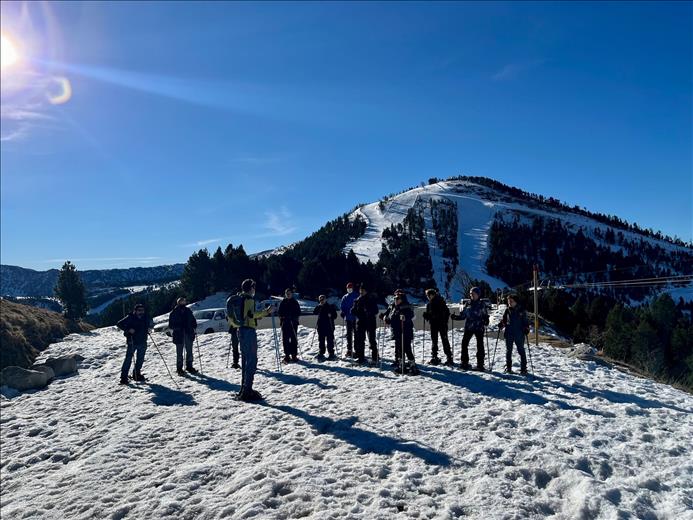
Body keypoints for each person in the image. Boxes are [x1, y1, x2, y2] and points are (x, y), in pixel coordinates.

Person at [236, 278, 273, 401]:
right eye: (253, 287)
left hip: (240, 330)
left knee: (245, 359)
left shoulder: (239, 298)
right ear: (251, 288)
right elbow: (251, 314)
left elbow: (246, 315)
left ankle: (243, 389)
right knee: (252, 360)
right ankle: (247, 390)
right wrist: (266, 312)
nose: (254, 290)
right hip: (248, 331)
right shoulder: (249, 299)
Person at [451, 287, 489, 370]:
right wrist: (455, 317)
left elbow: (485, 315)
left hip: (479, 327)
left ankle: (480, 364)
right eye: (471, 293)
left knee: (480, 345)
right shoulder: (467, 304)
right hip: (469, 327)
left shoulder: (482, 304)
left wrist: (486, 320)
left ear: (478, 294)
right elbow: (463, 316)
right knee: (464, 344)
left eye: (474, 293)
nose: (472, 295)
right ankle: (464, 362)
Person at [117, 303, 153, 384]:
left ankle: (136, 374)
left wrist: (149, 329)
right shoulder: (130, 317)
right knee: (128, 359)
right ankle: (124, 377)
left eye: (142, 310)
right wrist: (128, 329)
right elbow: (119, 324)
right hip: (132, 341)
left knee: (140, 359)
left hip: (143, 341)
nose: (141, 312)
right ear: (135, 311)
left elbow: (150, 324)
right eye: (139, 310)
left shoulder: (145, 317)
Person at [384, 292, 417, 373]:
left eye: (398, 298)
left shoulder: (406, 307)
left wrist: (404, 318)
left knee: (407, 348)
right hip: (398, 332)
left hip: (405, 331)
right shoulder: (395, 308)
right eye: (395, 298)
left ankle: (412, 365)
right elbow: (393, 319)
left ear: (402, 300)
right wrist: (386, 319)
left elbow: (411, 316)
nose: (396, 300)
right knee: (399, 349)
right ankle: (401, 365)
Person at [499, 294, 530, 375]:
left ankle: (524, 369)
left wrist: (526, 328)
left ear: (516, 302)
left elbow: (526, 321)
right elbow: (504, 320)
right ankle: (508, 368)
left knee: (521, 350)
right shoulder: (507, 310)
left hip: (519, 333)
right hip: (509, 333)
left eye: (511, 301)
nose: (509, 303)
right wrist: (501, 324)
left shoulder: (521, 310)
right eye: (508, 301)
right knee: (508, 351)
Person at [168, 297, 198, 375]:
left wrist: (194, 325)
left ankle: (189, 366)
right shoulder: (174, 312)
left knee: (189, 351)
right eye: (181, 302)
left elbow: (193, 320)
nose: (183, 303)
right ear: (178, 303)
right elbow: (171, 325)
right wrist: (179, 327)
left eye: (184, 301)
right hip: (179, 335)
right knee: (179, 353)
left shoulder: (188, 311)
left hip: (189, 333)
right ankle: (179, 368)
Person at [423, 288, 453, 366]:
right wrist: (426, 316)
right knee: (435, 340)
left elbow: (442, 314)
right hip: (434, 324)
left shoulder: (440, 302)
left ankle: (448, 357)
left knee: (443, 340)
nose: (428, 297)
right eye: (427, 295)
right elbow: (430, 315)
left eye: (429, 295)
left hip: (441, 324)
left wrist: (429, 316)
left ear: (433, 294)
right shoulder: (429, 304)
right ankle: (435, 356)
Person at [351, 284, 379, 365]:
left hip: (370, 322)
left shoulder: (371, 299)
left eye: (363, 290)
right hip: (360, 323)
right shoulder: (357, 300)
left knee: (372, 340)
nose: (361, 292)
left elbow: (376, 311)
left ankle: (375, 358)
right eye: (360, 290)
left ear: (366, 291)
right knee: (360, 341)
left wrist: (368, 311)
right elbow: (353, 310)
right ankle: (361, 358)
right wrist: (354, 311)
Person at [277, 288, 301, 363]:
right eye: (287, 293)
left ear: (291, 294)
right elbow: (279, 312)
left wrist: (293, 317)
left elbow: (298, 312)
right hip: (285, 323)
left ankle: (294, 355)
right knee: (285, 340)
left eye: (289, 293)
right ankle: (287, 355)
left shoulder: (295, 302)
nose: (288, 294)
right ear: (285, 294)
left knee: (293, 339)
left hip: (293, 323)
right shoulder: (283, 302)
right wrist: (282, 317)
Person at [313, 295, 338, 361]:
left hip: (329, 326)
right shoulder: (319, 307)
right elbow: (314, 312)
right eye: (320, 300)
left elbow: (335, 316)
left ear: (325, 299)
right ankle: (321, 353)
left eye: (323, 299)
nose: (322, 301)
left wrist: (331, 315)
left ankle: (331, 353)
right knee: (321, 340)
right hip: (321, 327)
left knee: (330, 340)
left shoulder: (330, 306)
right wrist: (319, 306)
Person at [340, 282, 358, 357]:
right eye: (348, 288)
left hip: (355, 318)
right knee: (349, 335)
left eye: (350, 288)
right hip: (348, 318)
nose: (349, 289)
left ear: (352, 288)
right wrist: (343, 312)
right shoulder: (345, 297)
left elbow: (358, 305)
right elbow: (342, 306)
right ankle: (349, 350)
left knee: (356, 335)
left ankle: (357, 350)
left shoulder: (356, 295)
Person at [226, 293, 241, 369]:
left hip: (233, 328)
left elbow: (228, 318)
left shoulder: (230, 303)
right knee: (244, 345)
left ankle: (235, 362)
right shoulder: (241, 302)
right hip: (242, 326)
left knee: (235, 346)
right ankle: (247, 361)